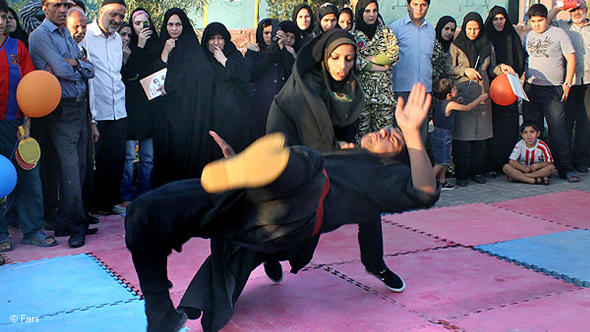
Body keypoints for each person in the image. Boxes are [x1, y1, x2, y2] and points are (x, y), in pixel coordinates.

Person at [125, 83, 438, 332]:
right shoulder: (342, 154)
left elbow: (424, 192)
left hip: (293, 217)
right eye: (389, 129)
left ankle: (266, 169)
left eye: (393, 139)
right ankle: (160, 314)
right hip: (250, 202)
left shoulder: (383, 179)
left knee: (308, 161)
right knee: (143, 212)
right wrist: (236, 162)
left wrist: (411, 133)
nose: (386, 132)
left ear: (395, 159)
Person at [267, 29, 403, 292]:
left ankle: (375, 263)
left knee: (368, 195)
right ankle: (270, 255)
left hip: (326, 156)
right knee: (295, 226)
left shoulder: (351, 88)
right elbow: (311, 138)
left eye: (350, 59)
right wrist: (343, 148)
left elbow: (346, 137)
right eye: (336, 58)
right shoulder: (305, 88)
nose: (343, 66)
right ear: (324, 58)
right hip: (288, 158)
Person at [29, 0, 95, 248]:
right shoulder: (40, 36)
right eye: (57, 4)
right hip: (60, 109)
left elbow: (90, 69)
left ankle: (68, 220)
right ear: (44, 7)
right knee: (70, 170)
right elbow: (62, 70)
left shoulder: (66, 34)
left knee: (79, 167)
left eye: (66, 5)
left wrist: (75, 63)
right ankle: (77, 227)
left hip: (79, 107)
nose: (62, 9)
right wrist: (74, 65)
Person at [0, 0, 57, 252]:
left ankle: (32, 229)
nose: (1, 21)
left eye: (3, 16)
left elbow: (31, 86)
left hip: (17, 126)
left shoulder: (17, 47)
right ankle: (1, 234)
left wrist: (28, 122)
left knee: (29, 176)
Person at [447, 12, 514, 187]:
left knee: (481, 137)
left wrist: (502, 68)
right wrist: (465, 71)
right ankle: (462, 174)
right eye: (470, 28)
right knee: (462, 137)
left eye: (476, 28)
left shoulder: (487, 45)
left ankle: (477, 171)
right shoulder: (456, 45)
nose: (473, 32)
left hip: (483, 95)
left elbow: (492, 69)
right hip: (463, 93)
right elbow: (449, 69)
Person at [523, 4, 579, 183]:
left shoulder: (558, 33)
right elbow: (525, 59)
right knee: (532, 129)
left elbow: (571, 57)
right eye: (533, 21)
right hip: (531, 88)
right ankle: (537, 167)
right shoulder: (528, 36)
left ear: (547, 19)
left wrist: (568, 82)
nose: (537, 25)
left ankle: (566, 169)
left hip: (553, 88)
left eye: (540, 20)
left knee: (558, 129)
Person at [82, 0, 128, 214]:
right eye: (114, 14)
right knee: (94, 162)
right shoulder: (86, 35)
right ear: (101, 11)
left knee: (115, 159)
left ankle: (108, 204)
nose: (117, 20)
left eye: (121, 16)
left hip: (118, 108)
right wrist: (91, 116)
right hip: (96, 110)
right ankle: (91, 206)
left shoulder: (118, 39)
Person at [117, 8, 159, 210]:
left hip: (150, 109)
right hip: (130, 108)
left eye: (145, 22)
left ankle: (146, 194)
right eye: (137, 23)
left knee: (148, 157)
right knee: (128, 156)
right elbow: (129, 73)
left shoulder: (157, 45)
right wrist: (139, 44)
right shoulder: (127, 47)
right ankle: (125, 195)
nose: (142, 26)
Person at [484, 5, 526, 178]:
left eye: (502, 18)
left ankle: (508, 162)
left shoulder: (512, 36)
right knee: (493, 127)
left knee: (508, 127)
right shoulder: (486, 37)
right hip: (493, 90)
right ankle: (491, 164)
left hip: (510, 89)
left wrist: (515, 76)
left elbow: (521, 59)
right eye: (495, 19)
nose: (499, 22)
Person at [549, 0, 590, 173]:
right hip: (569, 83)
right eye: (573, 9)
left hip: (588, 81)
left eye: (579, 8)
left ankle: (582, 161)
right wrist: (560, 6)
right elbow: (546, 20)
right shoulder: (562, 27)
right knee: (566, 121)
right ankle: (564, 161)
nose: (576, 12)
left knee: (586, 123)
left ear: (586, 9)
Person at [352, 0, 399, 142]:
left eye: (374, 10)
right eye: (367, 11)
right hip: (362, 96)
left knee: (385, 137)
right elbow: (355, 60)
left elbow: (393, 55)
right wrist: (381, 66)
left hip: (384, 95)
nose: (372, 15)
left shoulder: (385, 32)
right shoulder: (353, 34)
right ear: (360, 12)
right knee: (363, 137)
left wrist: (369, 58)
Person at [431, 78, 489, 190]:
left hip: (439, 134)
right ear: (449, 94)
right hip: (443, 136)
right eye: (454, 89)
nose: (456, 89)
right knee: (441, 162)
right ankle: (425, 184)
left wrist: (457, 102)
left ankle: (442, 181)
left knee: (444, 160)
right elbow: (467, 108)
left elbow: (450, 107)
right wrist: (479, 99)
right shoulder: (450, 104)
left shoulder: (442, 102)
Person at [389, 0, 434, 141]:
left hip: (424, 90)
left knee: (421, 137)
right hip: (402, 90)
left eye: (423, 5)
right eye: (415, 4)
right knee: (400, 138)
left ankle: (418, 163)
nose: (419, 8)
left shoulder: (431, 30)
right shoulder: (395, 28)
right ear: (408, 5)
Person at [245, 18, 296, 138]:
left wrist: (283, 48)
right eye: (266, 33)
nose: (269, 36)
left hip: (280, 106)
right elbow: (253, 75)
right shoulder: (253, 52)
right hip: (259, 106)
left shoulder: (284, 51)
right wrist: (274, 51)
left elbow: (291, 73)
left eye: (272, 33)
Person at [431, 15, 456, 82]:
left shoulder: (453, 48)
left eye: (452, 30)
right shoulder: (431, 45)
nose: (449, 32)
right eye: (446, 29)